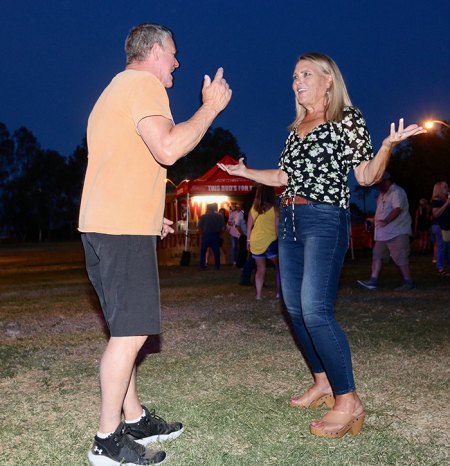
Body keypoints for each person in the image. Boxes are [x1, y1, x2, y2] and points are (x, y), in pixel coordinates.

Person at [218, 52, 425, 439]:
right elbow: (283, 174)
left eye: (306, 74)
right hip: (290, 219)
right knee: (294, 307)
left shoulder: (348, 118)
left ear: (329, 80)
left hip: (325, 218)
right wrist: (245, 171)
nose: (297, 81)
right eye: (294, 75)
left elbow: (365, 175)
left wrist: (387, 146)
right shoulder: (297, 125)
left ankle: (349, 400)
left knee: (315, 309)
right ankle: (322, 382)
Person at [79, 23, 231, 466]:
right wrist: (210, 110)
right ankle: (107, 442)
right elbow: (167, 148)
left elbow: (120, 164)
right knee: (130, 333)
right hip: (118, 229)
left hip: (105, 224)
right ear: (153, 52)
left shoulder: (114, 90)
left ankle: (134, 418)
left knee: (123, 328)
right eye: (173, 54)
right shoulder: (144, 84)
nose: (177, 64)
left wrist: (150, 215)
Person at [357, 172, 415, 290]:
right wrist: (373, 220)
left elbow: (397, 209)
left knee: (400, 257)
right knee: (377, 254)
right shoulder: (382, 195)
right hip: (383, 234)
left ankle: (408, 283)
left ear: (386, 181)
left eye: (379, 184)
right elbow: (382, 213)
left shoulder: (397, 192)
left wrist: (387, 220)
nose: (377, 187)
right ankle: (373, 281)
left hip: (397, 231)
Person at [246, 185, 281, 300]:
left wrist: (248, 240)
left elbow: (249, 225)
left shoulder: (254, 208)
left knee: (260, 269)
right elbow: (277, 228)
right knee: (279, 268)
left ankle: (259, 295)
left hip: (256, 241)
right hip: (270, 241)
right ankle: (279, 293)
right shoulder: (275, 208)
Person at [430, 181, 450, 275]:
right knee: (441, 247)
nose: (447, 188)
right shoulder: (436, 200)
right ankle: (440, 268)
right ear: (439, 189)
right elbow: (436, 214)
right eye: (445, 187)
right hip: (438, 226)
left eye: (447, 186)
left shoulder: (445, 200)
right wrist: (446, 204)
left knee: (447, 247)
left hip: (446, 226)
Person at [198, 203, 226, 270]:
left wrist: (202, 234)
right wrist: (219, 234)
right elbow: (223, 227)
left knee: (203, 251)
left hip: (206, 235)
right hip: (216, 235)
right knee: (216, 252)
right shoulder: (220, 216)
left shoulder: (203, 216)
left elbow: (199, 227)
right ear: (215, 208)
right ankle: (217, 266)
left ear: (208, 208)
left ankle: (202, 265)